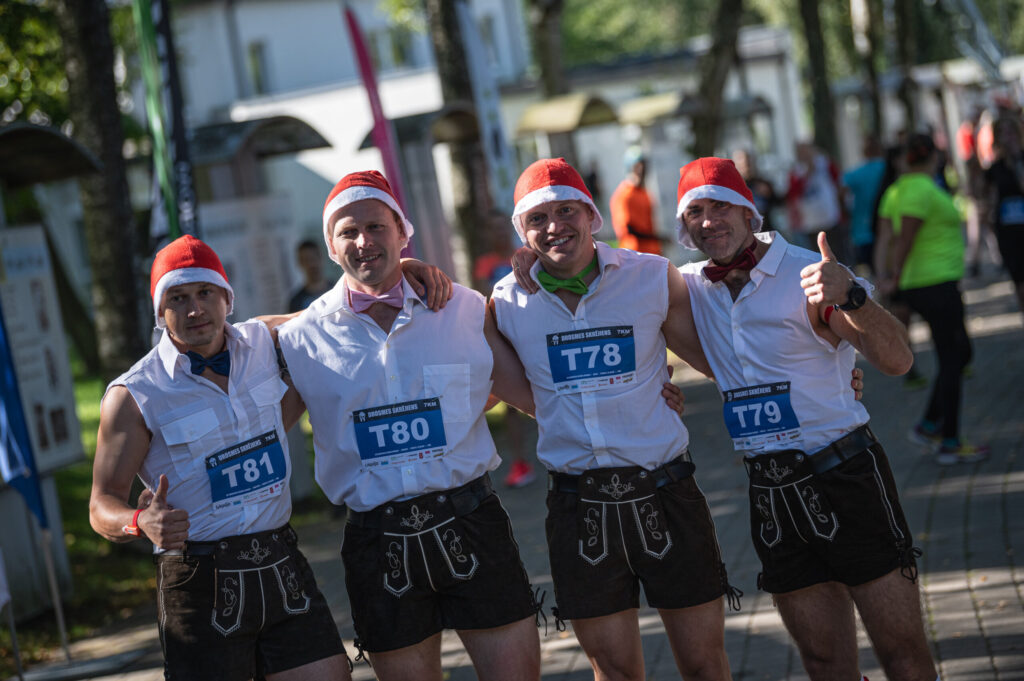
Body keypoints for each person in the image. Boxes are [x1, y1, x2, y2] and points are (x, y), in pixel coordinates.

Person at [675, 157, 938, 681]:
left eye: (720, 206)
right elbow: (602, 272)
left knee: (902, 654)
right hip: (771, 490)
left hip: (844, 473)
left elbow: (897, 361)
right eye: (695, 212)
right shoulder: (688, 287)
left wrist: (853, 296)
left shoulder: (809, 274)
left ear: (748, 211)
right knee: (823, 663)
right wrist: (528, 255)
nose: (708, 221)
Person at [275, 171, 544, 681]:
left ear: (403, 232)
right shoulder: (300, 338)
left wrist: (642, 392)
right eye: (348, 232)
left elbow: (537, 396)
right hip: (377, 542)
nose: (363, 241)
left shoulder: (463, 308)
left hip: (471, 521)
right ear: (331, 247)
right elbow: (228, 357)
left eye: (376, 226)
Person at [494, 158, 736, 681]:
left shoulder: (650, 276)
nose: (554, 226)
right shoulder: (506, 302)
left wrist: (826, 372)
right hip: (579, 506)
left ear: (592, 214)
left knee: (704, 666)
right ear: (522, 230)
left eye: (566, 210)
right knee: (615, 673)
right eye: (537, 218)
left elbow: (721, 361)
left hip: (667, 492)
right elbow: (511, 386)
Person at [89, 235, 351, 681]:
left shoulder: (265, 341)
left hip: (280, 560)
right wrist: (139, 522)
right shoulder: (134, 394)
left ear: (227, 298)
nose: (195, 309)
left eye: (205, 292)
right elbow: (100, 505)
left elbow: (343, 308)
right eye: (178, 298)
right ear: (160, 311)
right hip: (199, 579)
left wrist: (408, 270)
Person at [878, 134, 990, 464]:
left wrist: (886, 275)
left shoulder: (897, 190)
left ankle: (929, 425)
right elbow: (904, 237)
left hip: (930, 283)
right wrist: (893, 277)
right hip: (933, 284)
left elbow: (886, 237)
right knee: (953, 358)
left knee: (959, 353)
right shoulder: (919, 190)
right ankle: (949, 441)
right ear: (933, 157)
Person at [473, 212, 536, 488]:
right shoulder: (484, 263)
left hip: (529, 334)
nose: (498, 233)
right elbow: (483, 299)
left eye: (502, 227)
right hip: (502, 339)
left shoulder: (523, 255)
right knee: (510, 404)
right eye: (493, 229)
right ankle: (520, 462)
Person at [984, 115, 1024, 312]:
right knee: (1019, 282)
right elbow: (986, 198)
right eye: (1003, 133)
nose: (1008, 138)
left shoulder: (1021, 160)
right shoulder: (994, 168)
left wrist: (1017, 160)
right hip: (1008, 232)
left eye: (1011, 132)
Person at [843, 135, 887, 273]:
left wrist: (846, 211)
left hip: (863, 230)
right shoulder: (889, 169)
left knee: (872, 272)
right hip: (888, 229)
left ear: (865, 152)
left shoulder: (857, 173)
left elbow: (840, 191)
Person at [610, 146, 664, 255]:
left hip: (652, 253)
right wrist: (657, 238)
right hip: (634, 255)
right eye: (637, 166)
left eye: (644, 166)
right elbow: (628, 230)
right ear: (630, 169)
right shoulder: (624, 195)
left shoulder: (645, 193)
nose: (641, 170)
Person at [288, 239, 335, 312]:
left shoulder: (339, 290)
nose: (312, 264)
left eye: (314, 258)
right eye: (307, 260)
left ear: (322, 258)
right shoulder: (296, 303)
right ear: (300, 263)